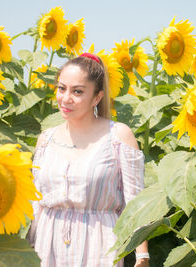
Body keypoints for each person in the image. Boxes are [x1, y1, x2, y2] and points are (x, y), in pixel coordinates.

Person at [27, 53, 149, 267]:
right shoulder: (45, 139)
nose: (66, 98)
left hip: (98, 247)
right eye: (61, 88)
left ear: (97, 97)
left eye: (77, 91)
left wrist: (142, 256)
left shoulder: (118, 137)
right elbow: (35, 202)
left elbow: (136, 203)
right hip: (46, 246)